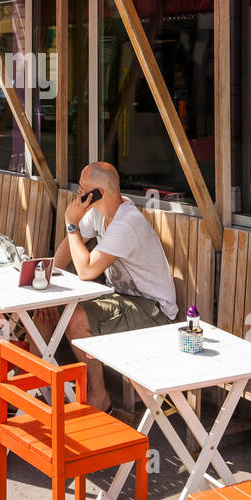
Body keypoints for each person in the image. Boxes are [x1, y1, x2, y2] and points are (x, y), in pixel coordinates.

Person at [50, 162, 178, 409]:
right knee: (49, 309)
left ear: (99, 193)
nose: (78, 194)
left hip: (153, 312)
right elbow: (70, 245)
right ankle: (35, 389)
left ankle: (98, 396)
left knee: (75, 318)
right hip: (122, 300)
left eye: (82, 190)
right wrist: (48, 273)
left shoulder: (126, 223)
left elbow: (86, 270)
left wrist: (71, 223)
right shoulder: (99, 213)